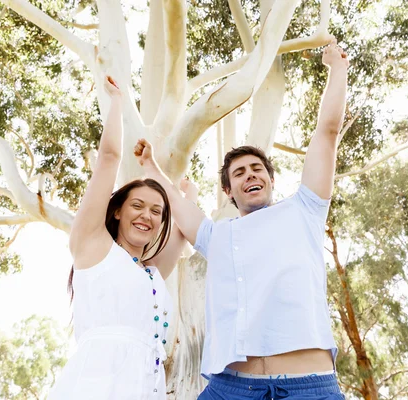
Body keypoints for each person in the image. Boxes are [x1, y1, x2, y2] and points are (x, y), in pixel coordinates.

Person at [134, 41, 349, 399]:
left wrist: (337, 69)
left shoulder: (305, 210)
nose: (250, 175)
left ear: (270, 178)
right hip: (231, 389)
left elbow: (327, 135)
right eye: (239, 173)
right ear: (228, 191)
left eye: (257, 169)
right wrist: (149, 166)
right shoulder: (217, 235)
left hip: (308, 387)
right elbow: (175, 201)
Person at [48, 76, 197, 400]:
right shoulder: (93, 247)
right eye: (138, 206)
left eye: (157, 212)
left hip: (147, 387)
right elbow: (109, 159)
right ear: (117, 211)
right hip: (96, 385)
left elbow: (185, 230)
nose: (147, 215)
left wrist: (189, 193)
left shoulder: (152, 272)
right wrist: (117, 100)